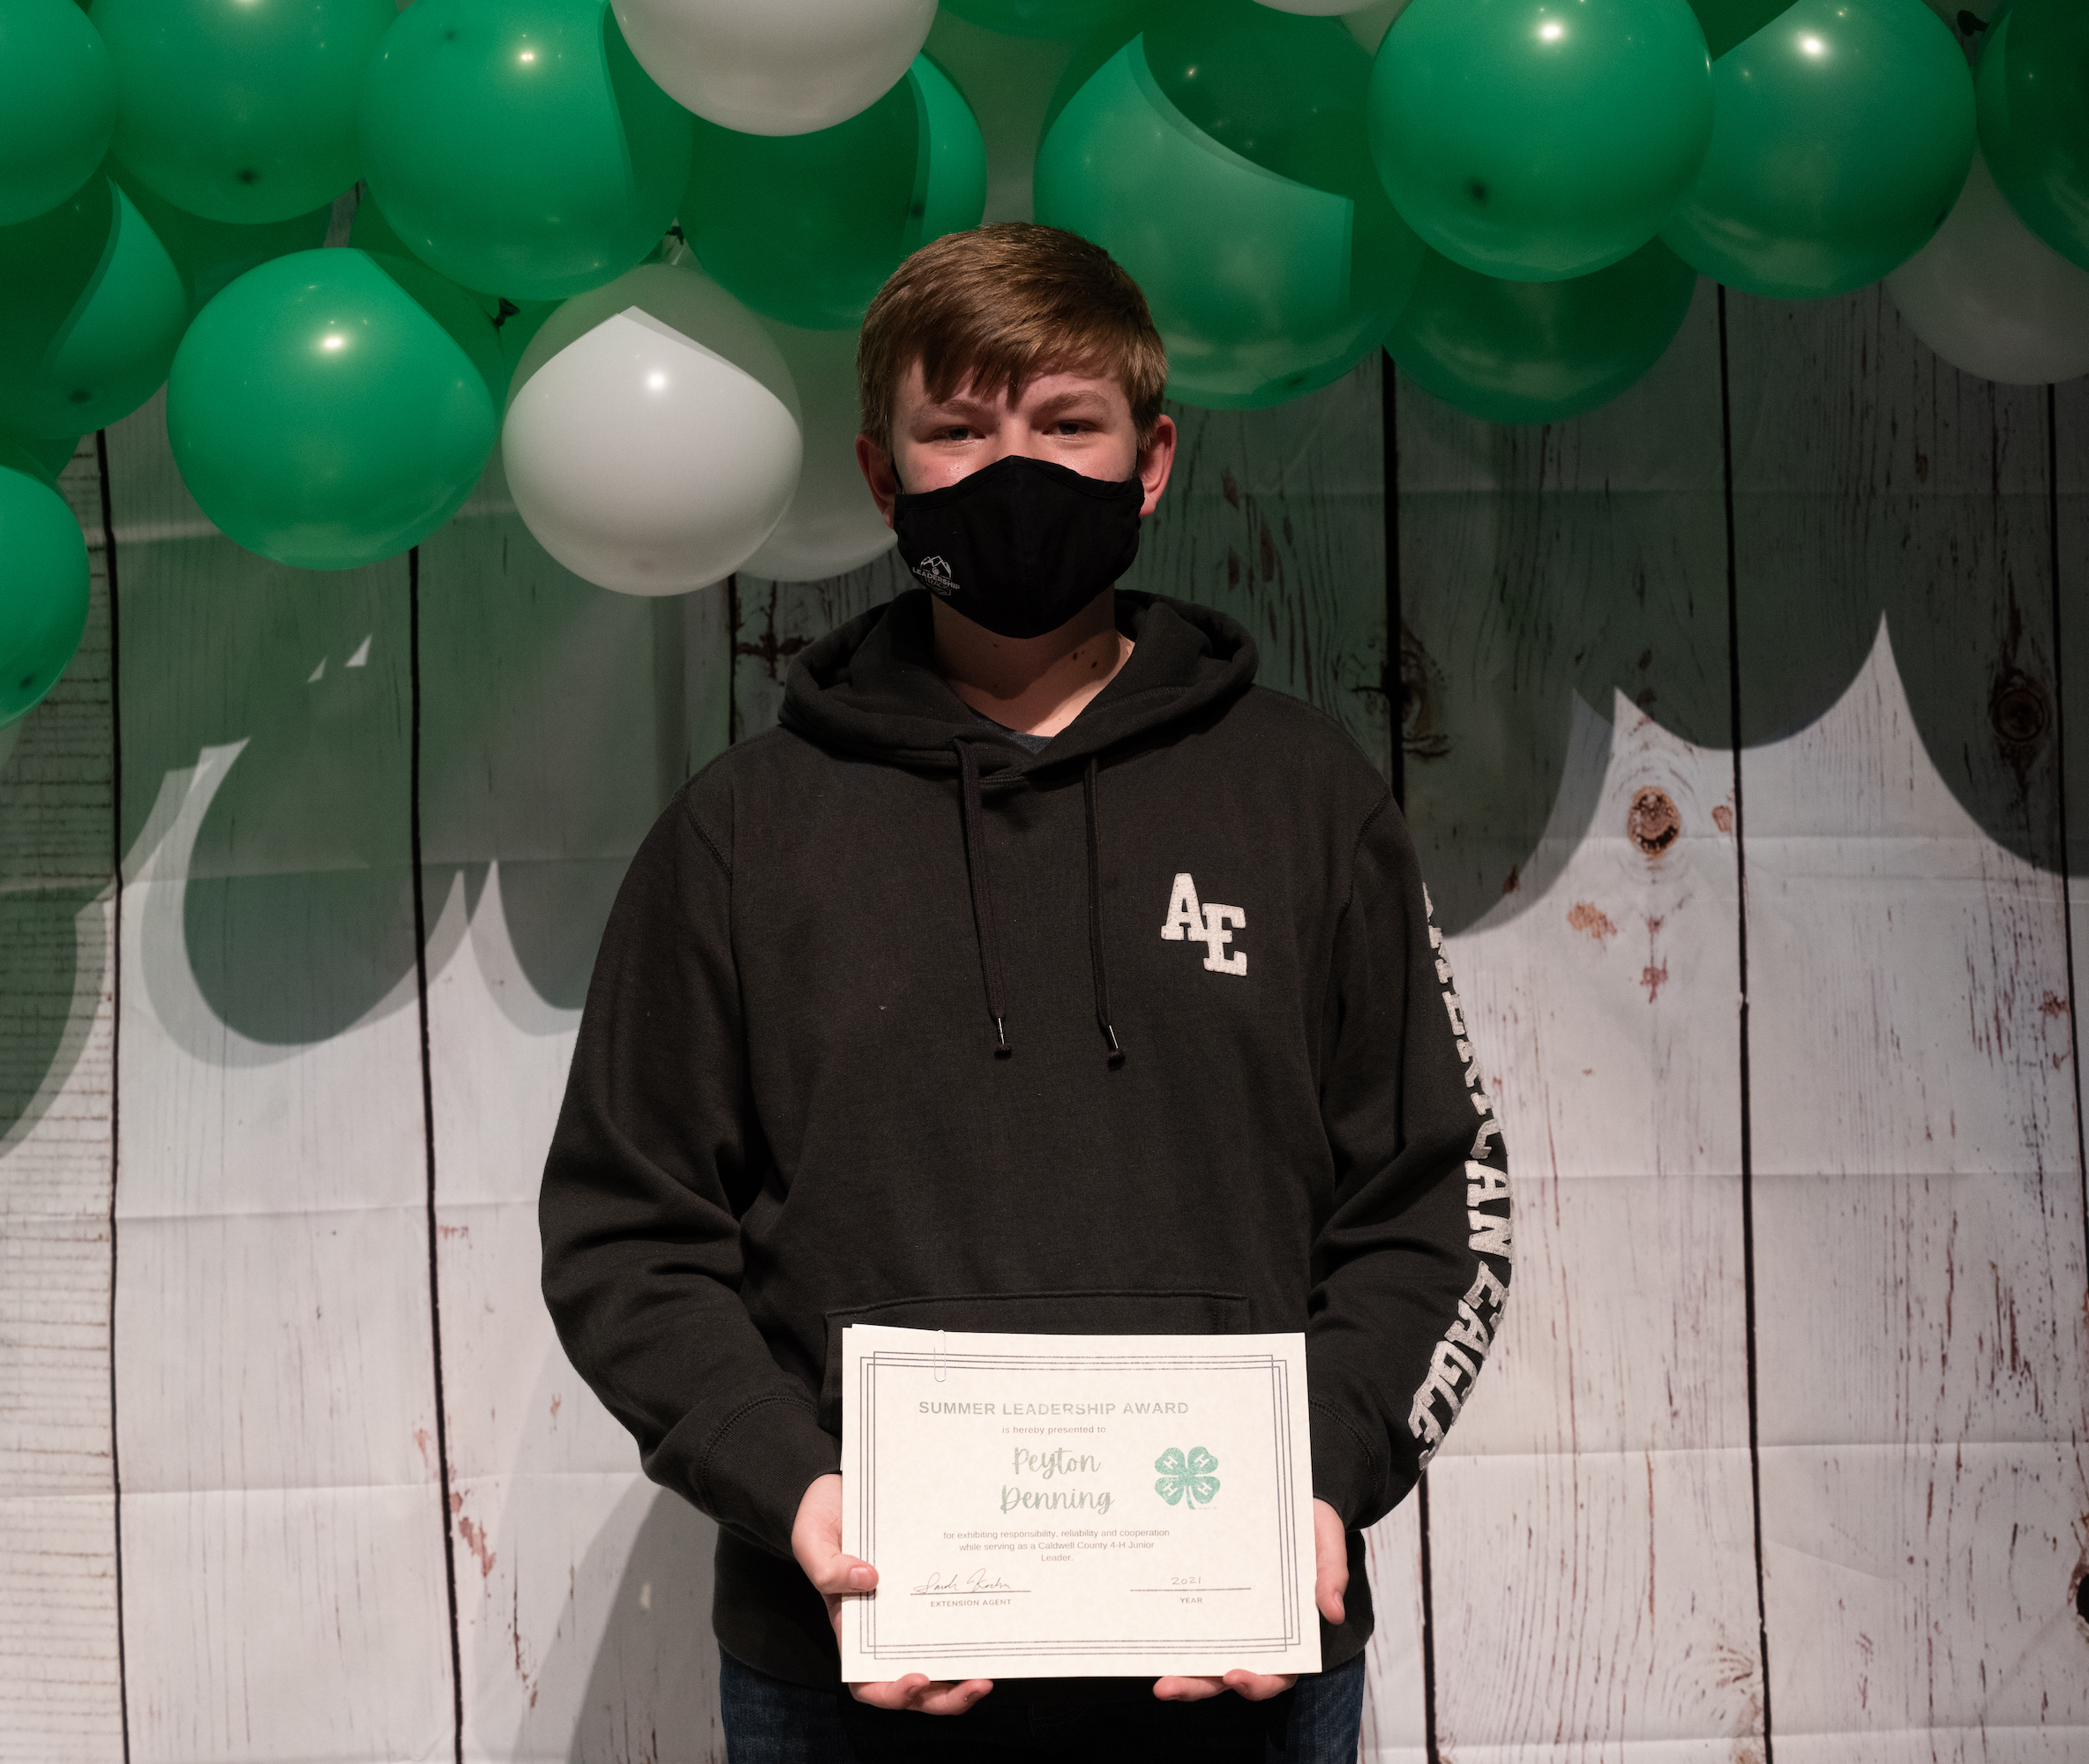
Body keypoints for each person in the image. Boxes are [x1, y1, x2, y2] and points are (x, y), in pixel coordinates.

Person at [538, 223, 1512, 1763]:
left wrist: (1320, 1482)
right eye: (960, 431)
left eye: (1067, 425)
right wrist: (800, 1496)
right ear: (882, 477)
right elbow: (626, 1237)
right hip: (849, 1668)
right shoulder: (739, 836)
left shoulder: (1307, 801)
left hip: (1239, 1665)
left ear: (1154, 459)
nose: (1015, 468)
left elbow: (1433, 1202)